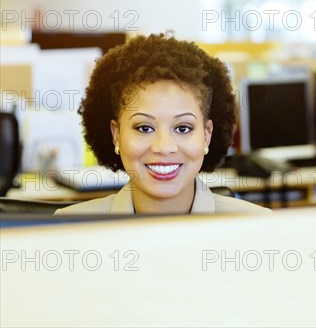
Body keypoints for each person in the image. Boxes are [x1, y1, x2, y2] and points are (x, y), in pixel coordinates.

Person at [55, 33, 271, 215]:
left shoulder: (256, 227)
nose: (164, 147)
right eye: (144, 128)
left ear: (206, 135)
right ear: (116, 134)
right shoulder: (68, 229)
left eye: (183, 128)